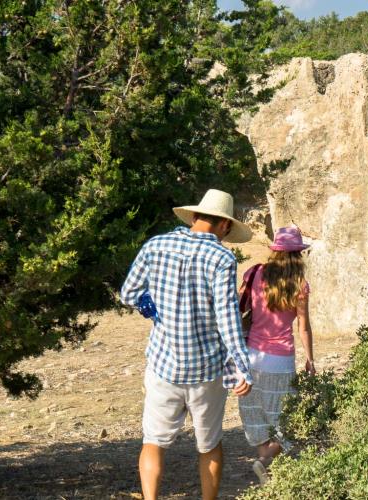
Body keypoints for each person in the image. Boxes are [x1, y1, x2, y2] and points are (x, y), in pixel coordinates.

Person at [120, 189, 254, 500]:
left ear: (194, 217)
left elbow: (128, 293)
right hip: (206, 369)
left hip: (163, 365)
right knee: (209, 444)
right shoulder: (221, 258)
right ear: (224, 226)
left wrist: (153, 310)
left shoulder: (156, 245)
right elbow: (226, 318)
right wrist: (241, 367)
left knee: (153, 442)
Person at [237, 226, 316, 485]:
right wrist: (310, 359)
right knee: (286, 421)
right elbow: (303, 327)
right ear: (297, 256)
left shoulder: (256, 273)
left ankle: (269, 479)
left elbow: (238, 306)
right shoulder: (299, 286)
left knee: (258, 420)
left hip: (251, 357)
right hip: (281, 360)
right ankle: (264, 464)